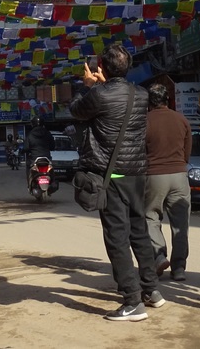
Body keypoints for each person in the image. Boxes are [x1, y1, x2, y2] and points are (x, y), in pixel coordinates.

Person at [70, 44, 162, 322]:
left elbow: (77, 111)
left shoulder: (97, 95)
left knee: (116, 239)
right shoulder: (142, 94)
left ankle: (133, 302)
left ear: (101, 66)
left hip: (111, 176)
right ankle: (151, 291)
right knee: (139, 233)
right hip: (137, 173)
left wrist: (88, 86)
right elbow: (116, 98)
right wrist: (103, 84)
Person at [143, 83, 192, 282]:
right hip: (179, 174)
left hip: (154, 175)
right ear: (168, 100)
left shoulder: (144, 121)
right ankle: (179, 268)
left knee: (150, 217)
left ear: (148, 102)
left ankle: (159, 256)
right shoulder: (181, 119)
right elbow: (188, 150)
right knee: (181, 224)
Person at [25, 117, 54, 185]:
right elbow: (53, 146)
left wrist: (25, 151)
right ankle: (52, 182)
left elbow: (26, 148)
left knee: (28, 167)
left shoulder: (30, 134)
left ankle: (29, 184)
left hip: (34, 158)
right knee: (51, 169)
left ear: (33, 124)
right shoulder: (47, 133)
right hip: (46, 158)